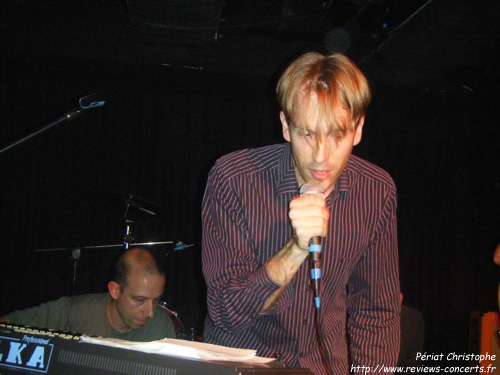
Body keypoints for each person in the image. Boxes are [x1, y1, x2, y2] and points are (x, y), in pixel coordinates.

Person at [201, 52, 400, 375]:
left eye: (337, 135)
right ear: (285, 125)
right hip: (240, 365)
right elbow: (226, 312)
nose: (321, 157)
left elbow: (376, 311)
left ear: (359, 129)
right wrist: (296, 248)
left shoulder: (376, 191)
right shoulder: (233, 178)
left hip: (322, 366)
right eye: (307, 134)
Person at [0, 247, 176, 341]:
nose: (150, 312)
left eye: (156, 300)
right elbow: (6, 326)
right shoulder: (71, 311)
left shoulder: (161, 327)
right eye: (140, 300)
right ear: (115, 290)